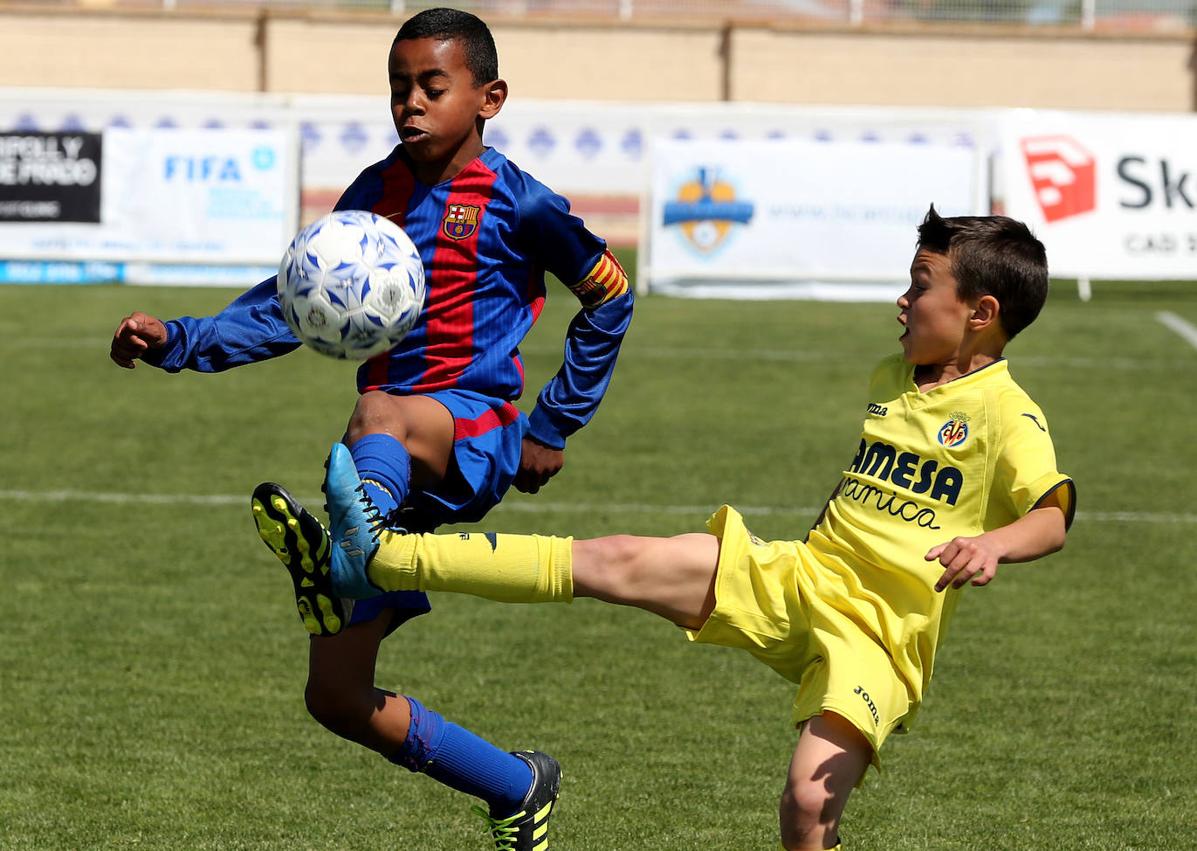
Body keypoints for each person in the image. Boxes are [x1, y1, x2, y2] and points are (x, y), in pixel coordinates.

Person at [264, 207, 1075, 850]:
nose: (903, 298)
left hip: (880, 632)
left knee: (805, 803)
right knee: (612, 559)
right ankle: (382, 553)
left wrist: (994, 542)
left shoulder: (1006, 411)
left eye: (921, 284)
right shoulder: (895, 374)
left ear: (981, 313)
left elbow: (1052, 511)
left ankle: (377, 554)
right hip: (796, 577)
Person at [110, 8, 633, 850]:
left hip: (474, 432)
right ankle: (517, 785)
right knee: (337, 698)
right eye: (399, 88)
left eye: (433, 85)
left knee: (378, 411)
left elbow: (610, 295)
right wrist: (180, 340)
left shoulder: (519, 200)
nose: (411, 104)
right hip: (385, 466)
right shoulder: (372, 194)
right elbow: (294, 307)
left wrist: (554, 421)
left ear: (488, 96)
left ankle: (347, 547)